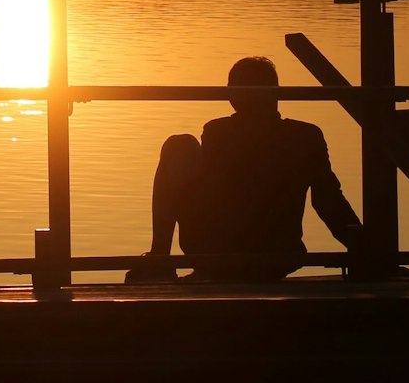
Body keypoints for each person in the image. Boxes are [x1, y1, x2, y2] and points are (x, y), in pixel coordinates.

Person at [127, 55, 363, 283]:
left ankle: (160, 259)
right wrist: (367, 248)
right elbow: (329, 203)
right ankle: (167, 261)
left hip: (218, 254)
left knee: (178, 144)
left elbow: (204, 193)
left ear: (232, 96)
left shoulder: (217, 131)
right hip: (280, 255)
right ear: (276, 93)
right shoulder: (306, 135)